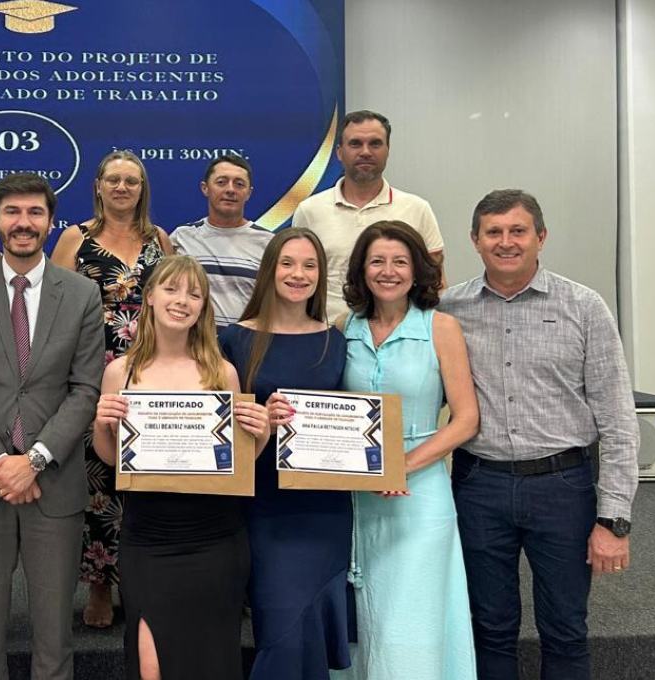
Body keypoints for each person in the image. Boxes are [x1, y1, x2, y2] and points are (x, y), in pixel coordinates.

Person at [439, 190, 639, 680]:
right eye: (493, 232)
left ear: (540, 237)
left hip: (563, 488)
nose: (506, 242)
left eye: (518, 231)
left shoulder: (584, 306)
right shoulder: (449, 310)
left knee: (566, 629)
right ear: (475, 240)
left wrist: (614, 519)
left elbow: (617, 418)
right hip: (478, 485)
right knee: (489, 627)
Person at [0, 172, 105, 680]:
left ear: (51, 223)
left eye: (35, 213)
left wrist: (32, 461)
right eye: (12, 213)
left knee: (54, 635)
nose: (23, 223)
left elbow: (86, 390)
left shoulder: (80, 295)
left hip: (52, 482)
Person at [93, 255, 271, 680]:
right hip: (149, 538)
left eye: (194, 293)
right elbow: (108, 457)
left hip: (215, 539)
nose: (182, 300)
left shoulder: (221, 372)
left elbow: (237, 463)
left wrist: (260, 433)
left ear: (203, 307)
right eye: (171, 289)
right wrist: (102, 424)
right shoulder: (120, 372)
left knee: (211, 663)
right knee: (150, 663)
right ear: (149, 296)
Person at [331, 221, 477, 680]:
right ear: (361, 270)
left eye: (400, 261)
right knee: (363, 619)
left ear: (418, 270)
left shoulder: (442, 327)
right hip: (357, 496)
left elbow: (467, 419)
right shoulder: (342, 327)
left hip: (421, 494)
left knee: (409, 622)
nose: (388, 271)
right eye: (377, 261)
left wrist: (402, 467)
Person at [218, 229, 352, 679]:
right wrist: (260, 423)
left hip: (326, 509)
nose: (299, 274)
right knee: (281, 629)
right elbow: (217, 431)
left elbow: (353, 424)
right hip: (263, 507)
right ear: (269, 269)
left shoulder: (336, 341)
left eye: (310, 265)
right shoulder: (233, 340)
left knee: (311, 626)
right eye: (288, 263)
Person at [51, 150, 173, 628]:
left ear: (143, 189)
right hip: (92, 372)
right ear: (98, 186)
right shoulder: (74, 239)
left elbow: (175, 302)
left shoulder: (159, 239)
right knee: (99, 481)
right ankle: (100, 586)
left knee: (146, 476)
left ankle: (139, 582)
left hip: (151, 373)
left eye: (132, 181)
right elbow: (54, 310)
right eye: (114, 180)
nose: (123, 188)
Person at [292, 110, 445, 320]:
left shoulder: (417, 209)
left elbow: (436, 283)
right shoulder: (309, 211)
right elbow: (298, 279)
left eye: (375, 144)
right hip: (327, 336)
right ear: (339, 152)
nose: (365, 152)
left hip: (399, 337)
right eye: (355, 144)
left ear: (388, 150)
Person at [171, 154, 273, 327]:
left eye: (239, 184)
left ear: (249, 193)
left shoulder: (269, 243)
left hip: (246, 348)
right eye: (221, 182)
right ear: (205, 188)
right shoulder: (181, 237)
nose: (230, 189)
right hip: (192, 348)